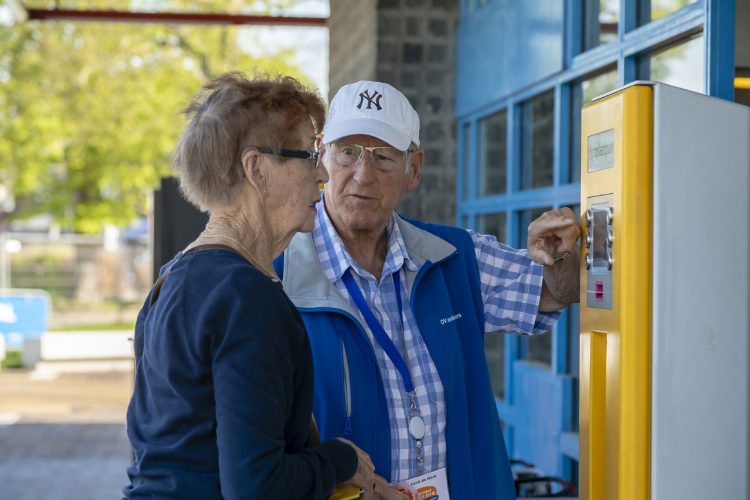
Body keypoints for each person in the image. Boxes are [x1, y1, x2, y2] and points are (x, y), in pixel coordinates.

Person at [273, 80, 581, 499]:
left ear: (414, 169)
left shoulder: (454, 257)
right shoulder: (275, 277)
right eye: (348, 151)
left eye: (384, 157)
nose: (363, 174)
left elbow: (555, 292)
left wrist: (560, 254)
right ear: (322, 157)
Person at [124, 73, 376, 499]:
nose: (323, 175)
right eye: (310, 154)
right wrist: (340, 461)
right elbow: (258, 486)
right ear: (257, 170)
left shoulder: (171, 279)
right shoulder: (247, 298)